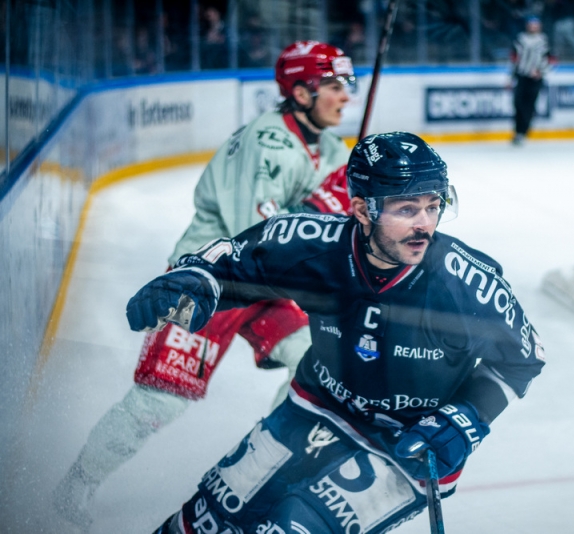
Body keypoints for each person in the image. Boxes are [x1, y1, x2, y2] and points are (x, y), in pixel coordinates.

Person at [126, 131, 547, 534]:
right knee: (206, 518)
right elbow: (232, 261)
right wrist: (195, 281)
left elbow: (524, 358)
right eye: (406, 210)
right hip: (313, 405)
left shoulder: (464, 283)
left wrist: (467, 419)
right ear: (363, 211)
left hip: (406, 444)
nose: (425, 225)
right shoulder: (315, 245)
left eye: (433, 206)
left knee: (293, 526)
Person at [52, 40, 357, 532]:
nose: (346, 97)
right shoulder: (266, 142)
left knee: (315, 366)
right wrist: (322, 207)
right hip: (210, 282)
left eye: (348, 85)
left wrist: (347, 198)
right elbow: (252, 238)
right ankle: (78, 481)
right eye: (335, 86)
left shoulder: (327, 146)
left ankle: (270, 470)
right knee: (161, 399)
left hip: (267, 286)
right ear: (301, 93)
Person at [511, 16, 551, 146]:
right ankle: (518, 130)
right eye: (531, 24)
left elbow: (550, 59)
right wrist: (510, 77)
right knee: (518, 103)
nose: (533, 27)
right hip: (522, 75)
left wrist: (540, 71)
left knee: (529, 105)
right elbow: (514, 59)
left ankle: (522, 132)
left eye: (536, 24)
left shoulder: (544, 40)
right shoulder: (520, 39)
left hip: (536, 78)